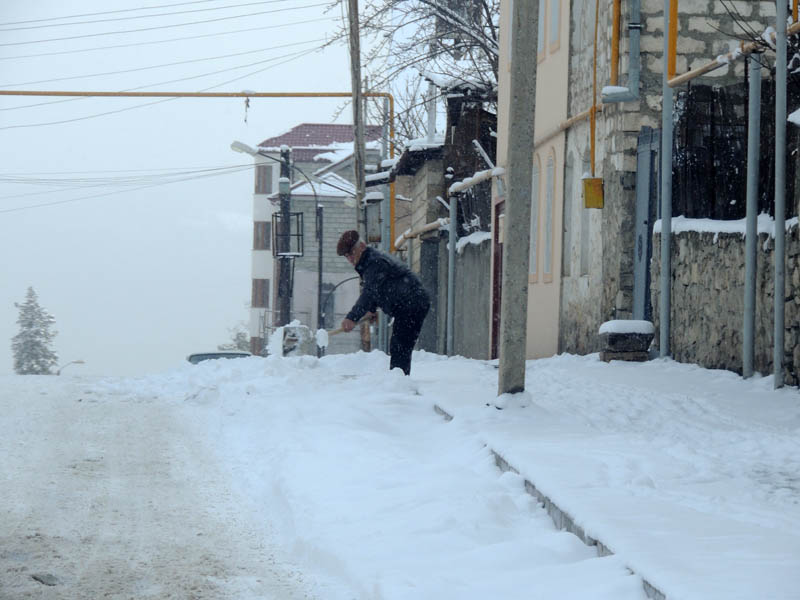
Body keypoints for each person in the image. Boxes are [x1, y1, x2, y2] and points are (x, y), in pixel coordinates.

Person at [337, 230, 430, 375]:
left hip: (412, 303)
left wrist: (352, 317)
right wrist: (371, 309)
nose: (350, 258)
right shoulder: (368, 261)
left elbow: (369, 292)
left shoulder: (374, 262)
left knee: (400, 345)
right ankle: (399, 379)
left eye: (351, 253)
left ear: (361, 246)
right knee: (400, 345)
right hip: (408, 303)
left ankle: (399, 382)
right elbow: (377, 290)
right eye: (347, 256)